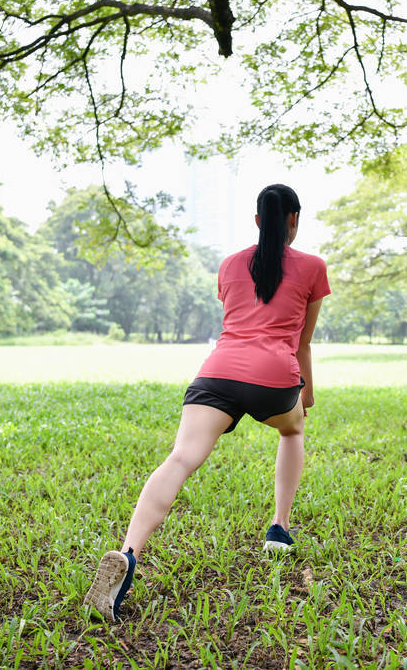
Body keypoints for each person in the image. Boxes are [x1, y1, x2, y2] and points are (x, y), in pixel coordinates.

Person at [83, 183, 330, 622]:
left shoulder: (230, 264)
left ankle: (128, 552)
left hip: (217, 373)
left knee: (180, 459)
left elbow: (237, 319)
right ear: (294, 220)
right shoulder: (313, 267)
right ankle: (279, 527)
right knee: (292, 430)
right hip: (275, 377)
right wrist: (306, 393)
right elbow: (302, 342)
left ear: (257, 221)